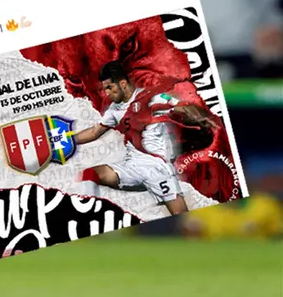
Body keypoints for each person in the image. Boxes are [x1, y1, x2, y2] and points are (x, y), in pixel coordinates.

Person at [71, 61, 219, 217]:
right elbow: (94, 132)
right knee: (91, 173)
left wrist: (198, 118)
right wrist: (66, 141)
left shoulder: (151, 98)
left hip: (157, 169)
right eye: (104, 89)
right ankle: (89, 221)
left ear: (123, 83)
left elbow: (180, 107)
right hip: (132, 168)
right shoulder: (115, 110)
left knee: (181, 215)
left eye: (109, 87)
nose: (107, 93)